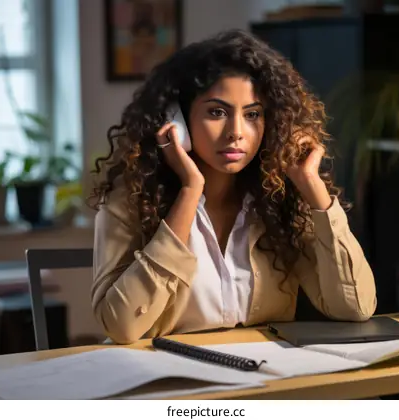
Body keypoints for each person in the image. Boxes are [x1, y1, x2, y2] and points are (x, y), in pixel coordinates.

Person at [89, 29, 377, 345]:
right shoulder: (130, 198)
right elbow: (121, 326)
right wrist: (190, 191)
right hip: (168, 382)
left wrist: (312, 185)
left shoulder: (280, 199)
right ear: (178, 120)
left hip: (264, 378)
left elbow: (357, 307)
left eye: (252, 115)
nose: (236, 132)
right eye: (217, 112)